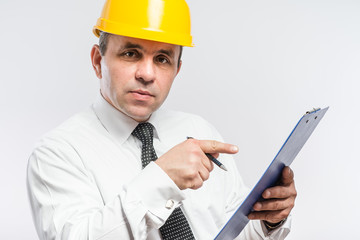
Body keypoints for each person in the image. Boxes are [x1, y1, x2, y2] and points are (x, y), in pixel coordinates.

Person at [27, 0, 297, 239]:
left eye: (162, 59)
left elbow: (231, 230)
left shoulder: (198, 129)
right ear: (98, 61)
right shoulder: (57, 153)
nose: (147, 73)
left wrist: (269, 220)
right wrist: (162, 178)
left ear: (177, 69)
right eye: (130, 53)